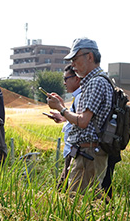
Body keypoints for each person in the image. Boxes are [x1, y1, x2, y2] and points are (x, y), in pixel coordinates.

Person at [46, 37, 113, 194]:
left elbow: (83, 121)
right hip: (88, 153)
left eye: (75, 59)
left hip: (88, 154)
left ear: (89, 57)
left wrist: (61, 109)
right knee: (85, 203)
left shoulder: (96, 82)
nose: (73, 64)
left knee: (77, 206)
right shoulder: (95, 81)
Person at [47, 64, 82, 189]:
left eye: (66, 79)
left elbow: (81, 122)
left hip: (75, 150)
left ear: (76, 78)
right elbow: (75, 119)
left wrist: (60, 108)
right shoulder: (77, 97)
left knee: (66, 190)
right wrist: (63, 116)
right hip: (72, 150)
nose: (64, 83)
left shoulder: (80, 97)